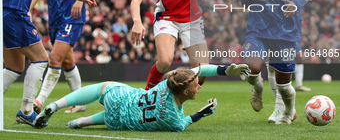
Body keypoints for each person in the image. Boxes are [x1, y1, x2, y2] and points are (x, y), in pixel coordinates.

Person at [34, 63, 250, 130]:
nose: (199, 87)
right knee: (118, 115)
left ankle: (56, 105)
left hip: (119, 98)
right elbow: (184, 123)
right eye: (196, 85)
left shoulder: (169, 83)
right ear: (185, 92)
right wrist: (201, 114)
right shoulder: (173, 121)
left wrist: (223, 69)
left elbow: (199, 69)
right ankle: (82, 122)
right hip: (118, 123)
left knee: (103, 87)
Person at [30, 0, 102, 114]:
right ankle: (80, 103)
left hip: (73, 18)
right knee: (67, 62)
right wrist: (29, 10)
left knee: (54, 57)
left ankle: (38, 101)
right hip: (54, 20)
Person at [242, 0, 308, 124]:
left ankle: (288, 111)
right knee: (252, 66)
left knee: (283, 84)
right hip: (258, 27)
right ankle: (258, 86)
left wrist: (295, 4)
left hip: (285, 31)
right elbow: (244, 1)